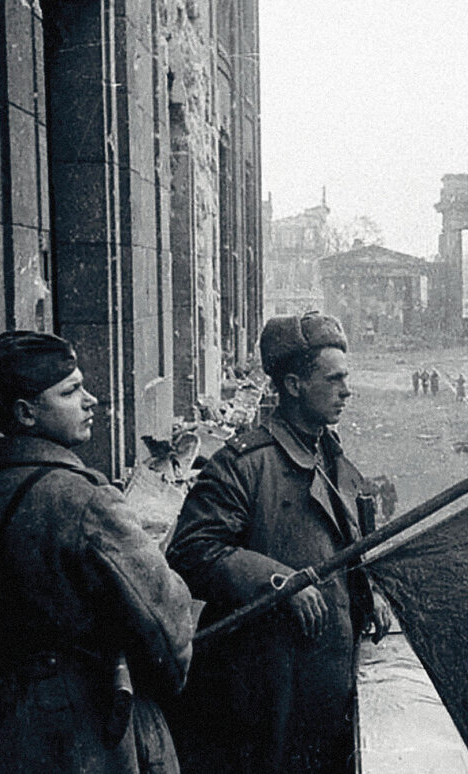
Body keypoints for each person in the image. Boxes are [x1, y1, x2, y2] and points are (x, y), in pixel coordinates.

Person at [0, 331, 194, 773]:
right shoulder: (87, 501)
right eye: (71, 391)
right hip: (91, 734)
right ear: (27, 413)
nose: (91, 400)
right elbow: (165, 620)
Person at [165, 312, 392, 774]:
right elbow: (190, 551)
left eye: (345, 378)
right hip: (264, 694)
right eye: (333, 379)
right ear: (293, 385)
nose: (346, 391)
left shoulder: (330, 454)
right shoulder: (244, 465)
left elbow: (345, 543)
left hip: (324, 684)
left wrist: (368, 590)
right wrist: (277, 582)